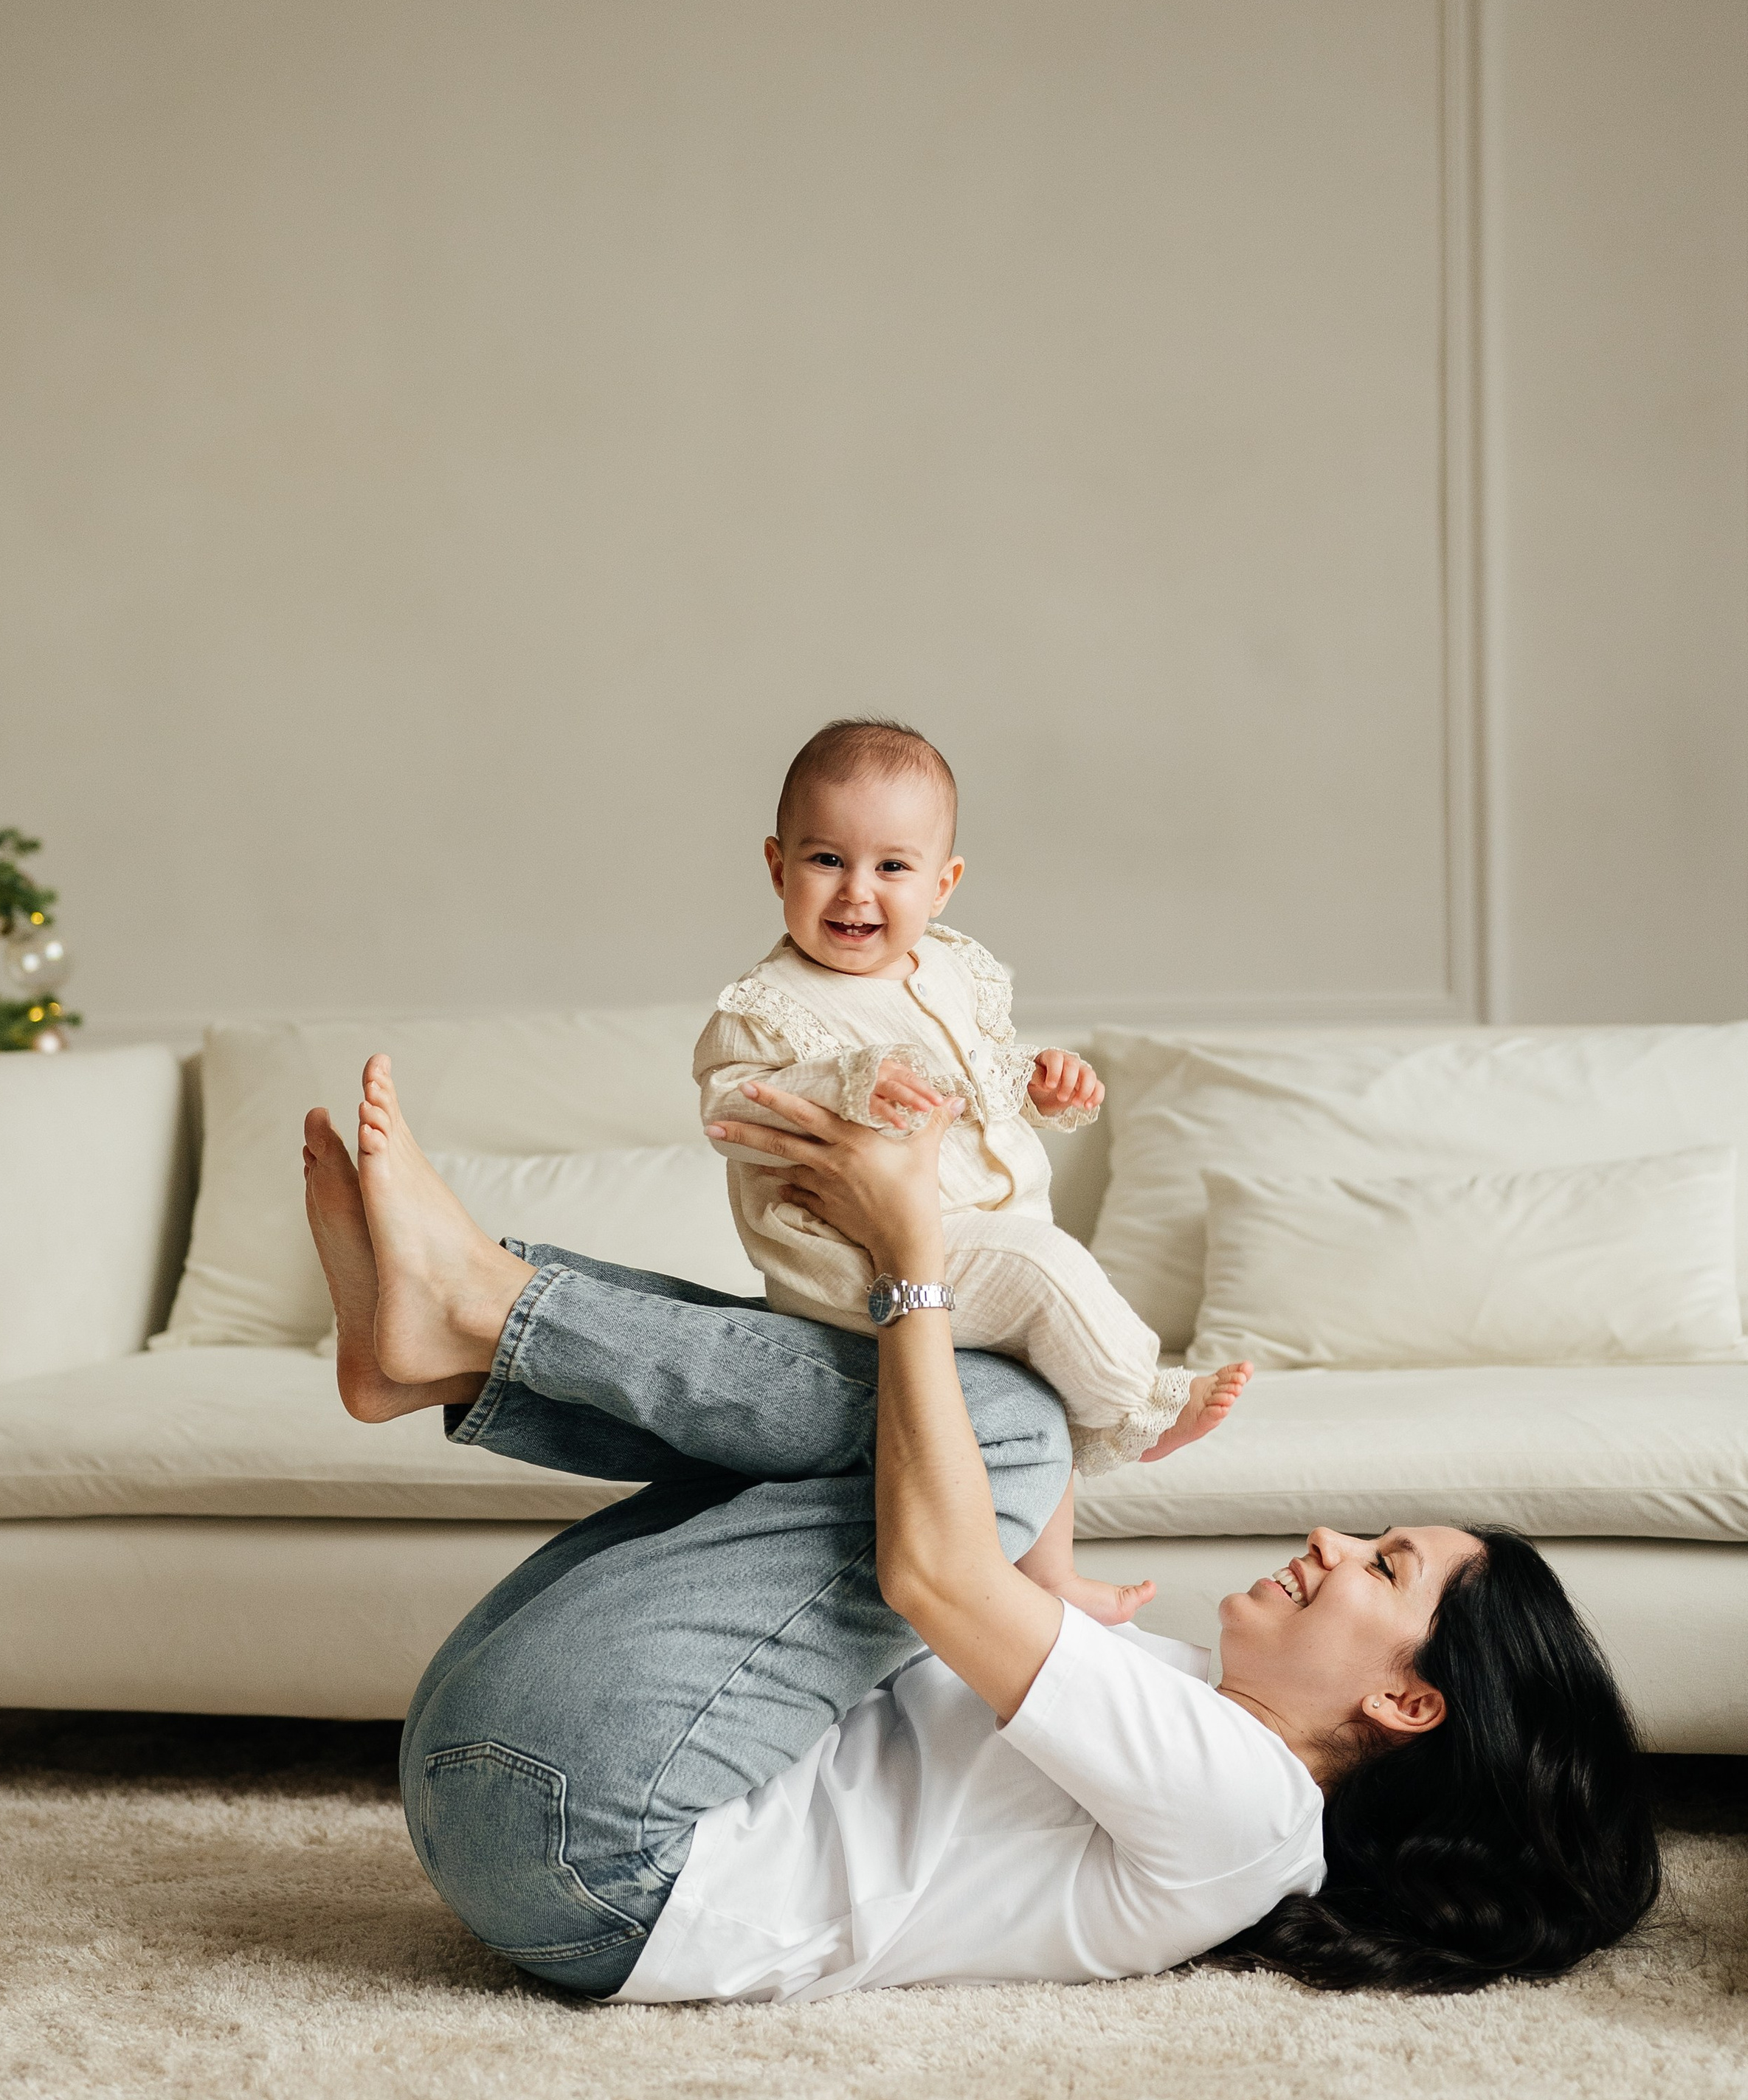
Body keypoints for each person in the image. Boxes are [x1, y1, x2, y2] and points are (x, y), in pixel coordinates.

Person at [300, 1053, 1661, 2005]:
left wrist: (917, 1251)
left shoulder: (1253, 1810)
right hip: (536, 1800)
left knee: (997, 1422)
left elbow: (933, 1571)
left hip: (600, 1840)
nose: (1330, 1539)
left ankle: (482, 1316)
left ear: (1408, 1700)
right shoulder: (1191, 1715)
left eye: (1384, 1565)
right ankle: (452, 1343)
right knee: (969, 1424)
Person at [694, 714, 1251, 1475]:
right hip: (859, 1257)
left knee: (1037, 1361)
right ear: (777, 866)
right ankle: (1138, 1409)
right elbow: (729, 1105)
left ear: (942, 885)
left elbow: (973, 1077)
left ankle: (1063, 1505)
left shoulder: (952, 970)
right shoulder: (766, 1005)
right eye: (827, 859)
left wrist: (1035, 1085)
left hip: (986, 1226)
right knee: (1047, 1271)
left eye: (892, 866)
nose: (856, 890)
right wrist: (844, 1082)